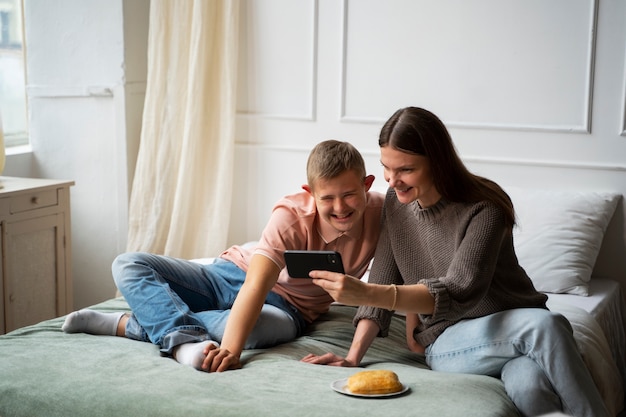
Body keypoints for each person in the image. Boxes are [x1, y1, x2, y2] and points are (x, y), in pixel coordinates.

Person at [301, 107, 609, 417]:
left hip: (514, 327)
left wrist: (366, 292)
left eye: (406, 170)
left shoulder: (485, 206)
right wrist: (353, 358)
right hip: (449, 342)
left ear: (438, 163)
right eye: (387, 168)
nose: (393, 181)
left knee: (531, 388)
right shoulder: (395, 206)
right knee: (548, 326)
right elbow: (380, 283)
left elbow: (461, 288)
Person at [63, 140, 384, 373]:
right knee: (128, 263)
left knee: (255, 330)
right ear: (310, 193)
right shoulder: (290, 215)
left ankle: (132, 324)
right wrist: (229, 350)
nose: (340, 208)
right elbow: (255, 286)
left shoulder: (384, 214)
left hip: (288, 310)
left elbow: (404, 269)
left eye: (349, 195)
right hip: (229, 274)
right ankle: (179, 342)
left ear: (366, 185)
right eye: (327, 198)